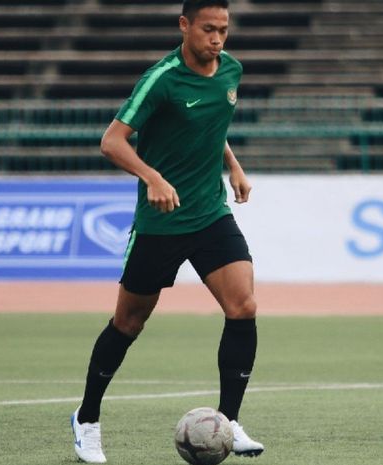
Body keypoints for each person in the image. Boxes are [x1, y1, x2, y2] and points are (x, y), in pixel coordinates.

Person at [70, 0, 263, 462]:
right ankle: (87, 419)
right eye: (207, 29)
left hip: (210, 213)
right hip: (161, 222)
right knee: (128, 323)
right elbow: (111, 141)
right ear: (184, 26)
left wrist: (233, 166)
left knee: (244, 306)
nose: (216, 39)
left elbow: (211, 127)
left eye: (223, 30)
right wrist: (152, 177)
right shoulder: (162, 78)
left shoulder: (231, 71)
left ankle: (229, 421)